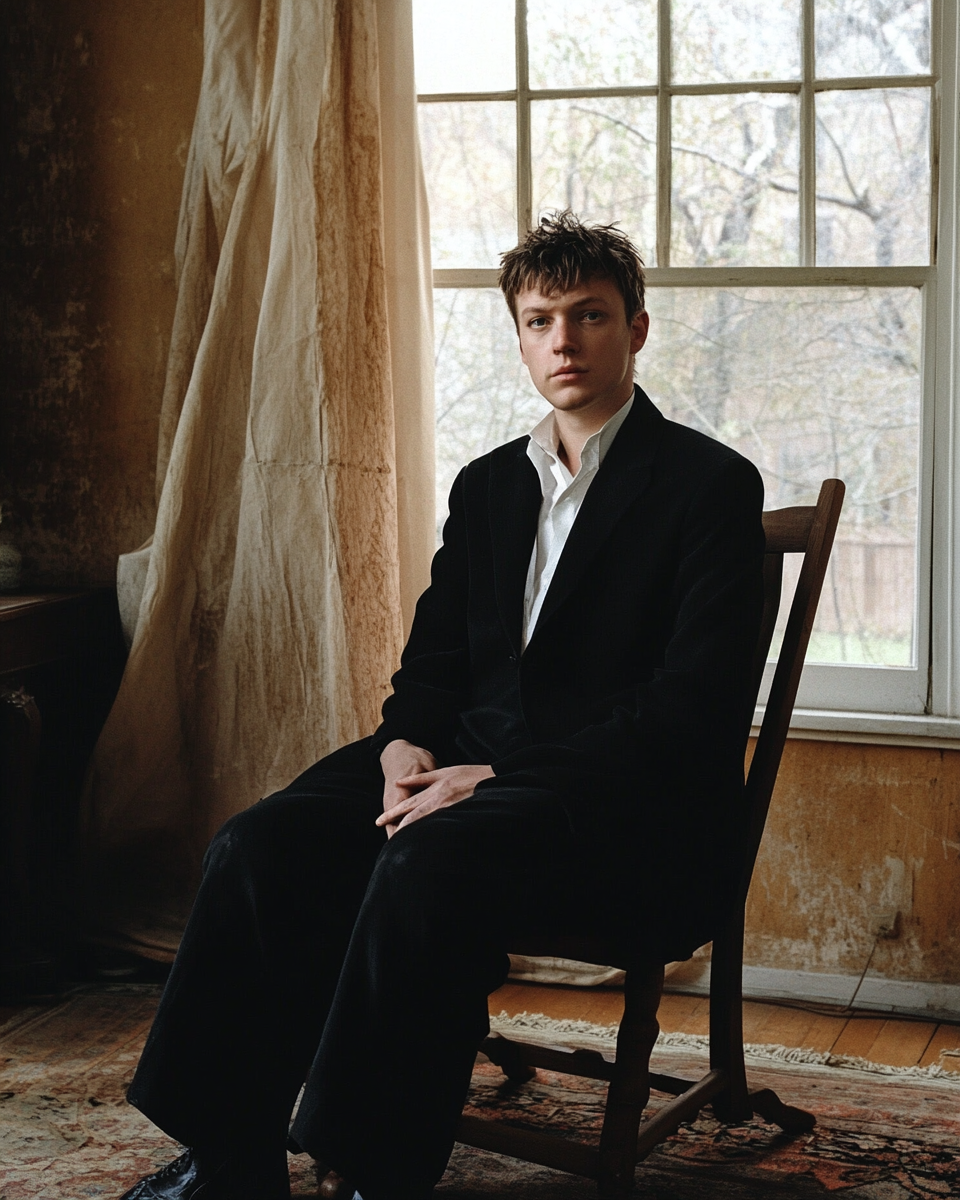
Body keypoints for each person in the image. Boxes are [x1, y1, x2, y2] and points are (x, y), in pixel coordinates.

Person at [119, 211, 765, 1200]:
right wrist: (406, 742)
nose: (564, 341)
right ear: (518, 336)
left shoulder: (710, 488)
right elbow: (435, 659)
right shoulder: (491, 488)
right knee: (258, 845)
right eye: (541, 320)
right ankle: (231, 1155)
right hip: (466, 765)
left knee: (428, 861)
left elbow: (693, 710)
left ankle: (375, 1167)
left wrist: (496, 775)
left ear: (636, 329)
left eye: (589, 316)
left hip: (623, 805)